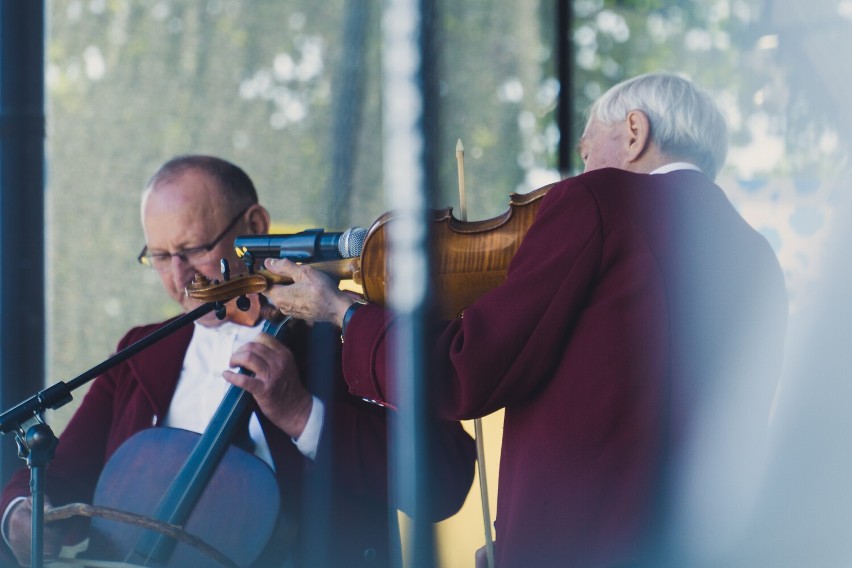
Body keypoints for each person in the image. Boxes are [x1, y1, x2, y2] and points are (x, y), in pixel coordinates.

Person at [258, 73, 789, 567]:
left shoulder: (601, 199)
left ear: (634, 131)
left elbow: (464, 371)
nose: (580, 171)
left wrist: (340, 311)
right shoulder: (760, 258)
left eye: (586, 151)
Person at [0, 155, 476, 567]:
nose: (179, 276)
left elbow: (444, 481)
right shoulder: (141, 351)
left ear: (254, 225)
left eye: (194, 249)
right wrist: (20, 511)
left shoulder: (340, 333)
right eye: (161, 256)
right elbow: (60, 474)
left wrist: (300, 413)